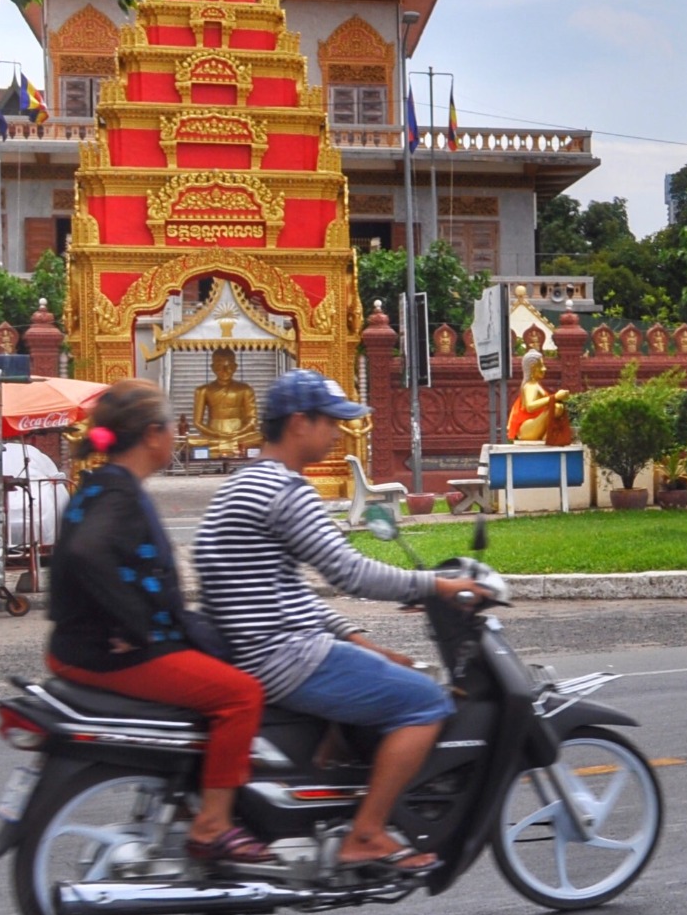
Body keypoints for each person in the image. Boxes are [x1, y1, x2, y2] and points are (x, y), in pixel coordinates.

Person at [195, 369, 479, 874]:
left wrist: (355, 639)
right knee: (426, 702)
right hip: (285, 657)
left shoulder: (243, 482)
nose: (336, 434)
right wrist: (438, 585)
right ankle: (366, 834)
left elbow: (283, 589)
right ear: (300, 423)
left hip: (257, 647)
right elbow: (350, 573)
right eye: (330, 423)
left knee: (389, 670)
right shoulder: (287, 489)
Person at [43, 380, 275, 867]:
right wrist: (134, 627)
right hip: (108, 652)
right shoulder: (119, 494)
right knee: (241, 696)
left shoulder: (103, 484)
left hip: (82, 645)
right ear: (152, 435)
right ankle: (213, 825)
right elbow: (87, 554)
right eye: (173, 428)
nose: (178, 437)